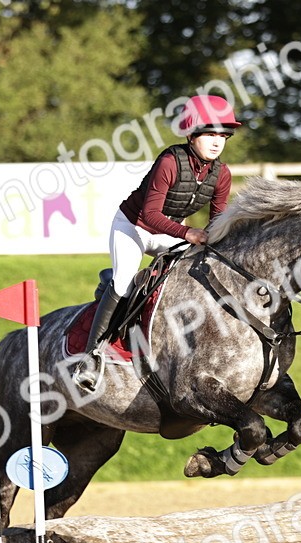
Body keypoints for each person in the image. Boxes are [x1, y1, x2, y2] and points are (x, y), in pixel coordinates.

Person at [72, 94, 240, 391]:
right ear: (191, 134)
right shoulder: (169, 161)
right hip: (133, 226)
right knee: (124, 282)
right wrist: (188, 234)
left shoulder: (221, 174)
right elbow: (149, 215)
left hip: (170, 231)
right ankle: (91, 356)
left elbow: (218, 218)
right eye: (210, 134)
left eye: (223, 136)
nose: (217, 142)